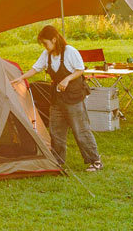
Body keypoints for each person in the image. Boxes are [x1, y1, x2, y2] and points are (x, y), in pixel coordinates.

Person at [13, 25, 101, 172]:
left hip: (74, 96)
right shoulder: (47, 54)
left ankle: (95, 161)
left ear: (54, 39)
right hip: (57, 98)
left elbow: (80, 70)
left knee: (80, 130)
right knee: (56, 131)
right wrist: (20, 78)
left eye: (46, 43)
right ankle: (57, 161)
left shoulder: (70, 52)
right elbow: (35, 69)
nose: (45, 46)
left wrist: (67, 79)